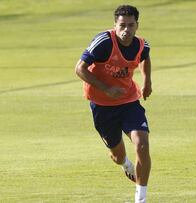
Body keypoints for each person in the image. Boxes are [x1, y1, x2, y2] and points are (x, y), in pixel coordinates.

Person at [75, 5, 152, 203]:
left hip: (129, 102)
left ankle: (141, 199)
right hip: (102, 106)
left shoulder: (141, 44)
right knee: (117, 156)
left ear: (137, 25)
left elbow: (145, 57)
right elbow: (80, 69)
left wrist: (147, 82)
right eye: (122, 25)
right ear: (115, 25)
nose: (126, 30)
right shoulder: (103, 42)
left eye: (131, 25)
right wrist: (106, 89)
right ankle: (125, 164)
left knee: (142, 144)